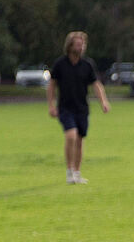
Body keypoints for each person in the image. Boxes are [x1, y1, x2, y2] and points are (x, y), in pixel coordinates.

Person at [47, 31, 110, 184]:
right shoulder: (60, 64)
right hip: (65, 108)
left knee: (80, 140)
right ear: (70, 46)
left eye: (82, 44)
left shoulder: (87, 64)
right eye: (78, 44)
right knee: (71, 136)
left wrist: (103, 102)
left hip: (82, 108)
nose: (81, 47)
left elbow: (96, 84)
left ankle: (77, 172)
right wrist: (51, 105)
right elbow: (52, 85)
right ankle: (69, 171)